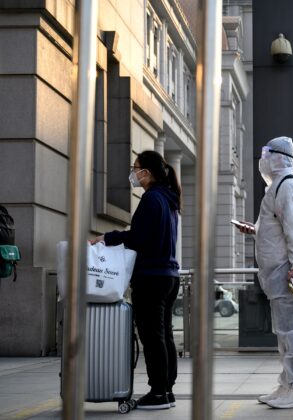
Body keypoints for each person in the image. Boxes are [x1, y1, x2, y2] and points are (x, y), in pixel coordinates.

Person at [91, 150, 181, 410]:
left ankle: (158, 392)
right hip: (168, 276)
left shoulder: (152, 199)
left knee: (152, 336)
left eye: (136, 167)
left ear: (147, 173)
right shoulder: (168, 199)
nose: (133, 172)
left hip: (152, 276)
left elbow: (139, 237)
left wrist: (107, 238)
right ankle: (167, 390)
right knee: (163, 335)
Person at [235, 136, 293, 409]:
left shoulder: (288, 186)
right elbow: (277, 230)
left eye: (267, 154)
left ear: (280, 158)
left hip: (287, 272)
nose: (262, 160)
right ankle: (286, 385)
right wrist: (254, 229)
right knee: (284, 334)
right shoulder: (278, 187)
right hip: (278, 272)